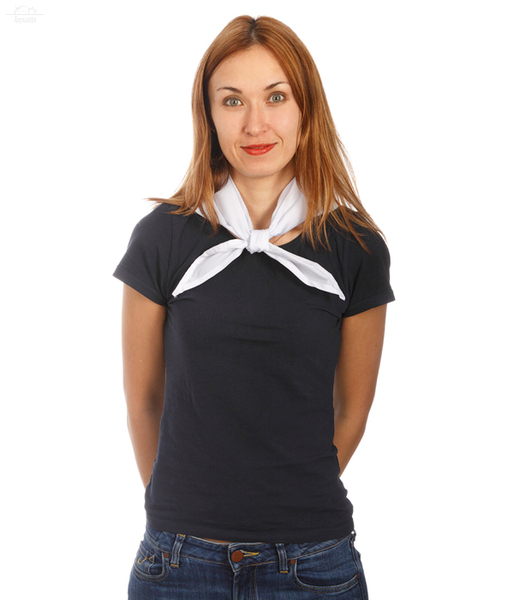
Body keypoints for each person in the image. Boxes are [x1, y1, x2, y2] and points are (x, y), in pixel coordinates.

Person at [114, 14, 394, 600]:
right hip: (178, 561)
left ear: (305, 108)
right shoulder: (162, 237)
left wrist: (286, 502)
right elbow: (143, 400)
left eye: (276, 96)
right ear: (209, 115)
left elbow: (353, 408)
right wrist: (178, 509)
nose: (255, 124)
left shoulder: (355, 247)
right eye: (233, 101)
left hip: (313, 563)